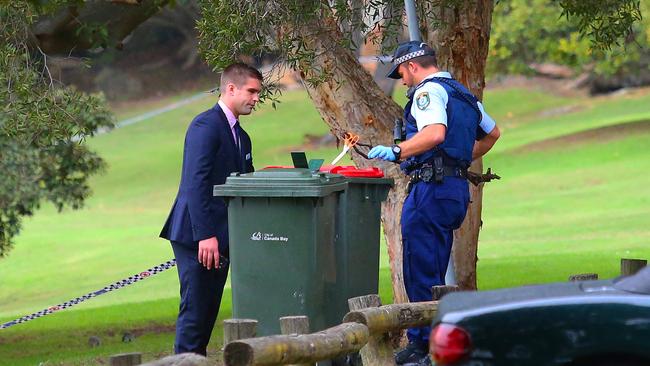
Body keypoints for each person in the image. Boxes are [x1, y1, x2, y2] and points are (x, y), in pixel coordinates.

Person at [369, 41, 500, 366]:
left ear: (412, 66)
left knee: (420, 267)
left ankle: (424, 347)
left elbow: (435, 133)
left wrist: (398, 152)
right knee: (436, 269)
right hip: (454, 189)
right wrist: (456, 161)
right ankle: (435, 341)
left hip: (431, 188)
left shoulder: (429, 93)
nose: (402, 80)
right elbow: (493, 133)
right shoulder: (463, 94)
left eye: (400, 72)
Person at [160, 63, 262, 355]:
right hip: (198, 239)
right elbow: (195, 184)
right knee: (195, 317)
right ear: (231, 88)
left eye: (258, 93)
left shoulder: (241, 136)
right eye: (251, 91)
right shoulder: (205, 126)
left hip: (221, 240)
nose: (256, 98)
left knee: (206, 318)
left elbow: (244, 185)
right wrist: (206, 235)